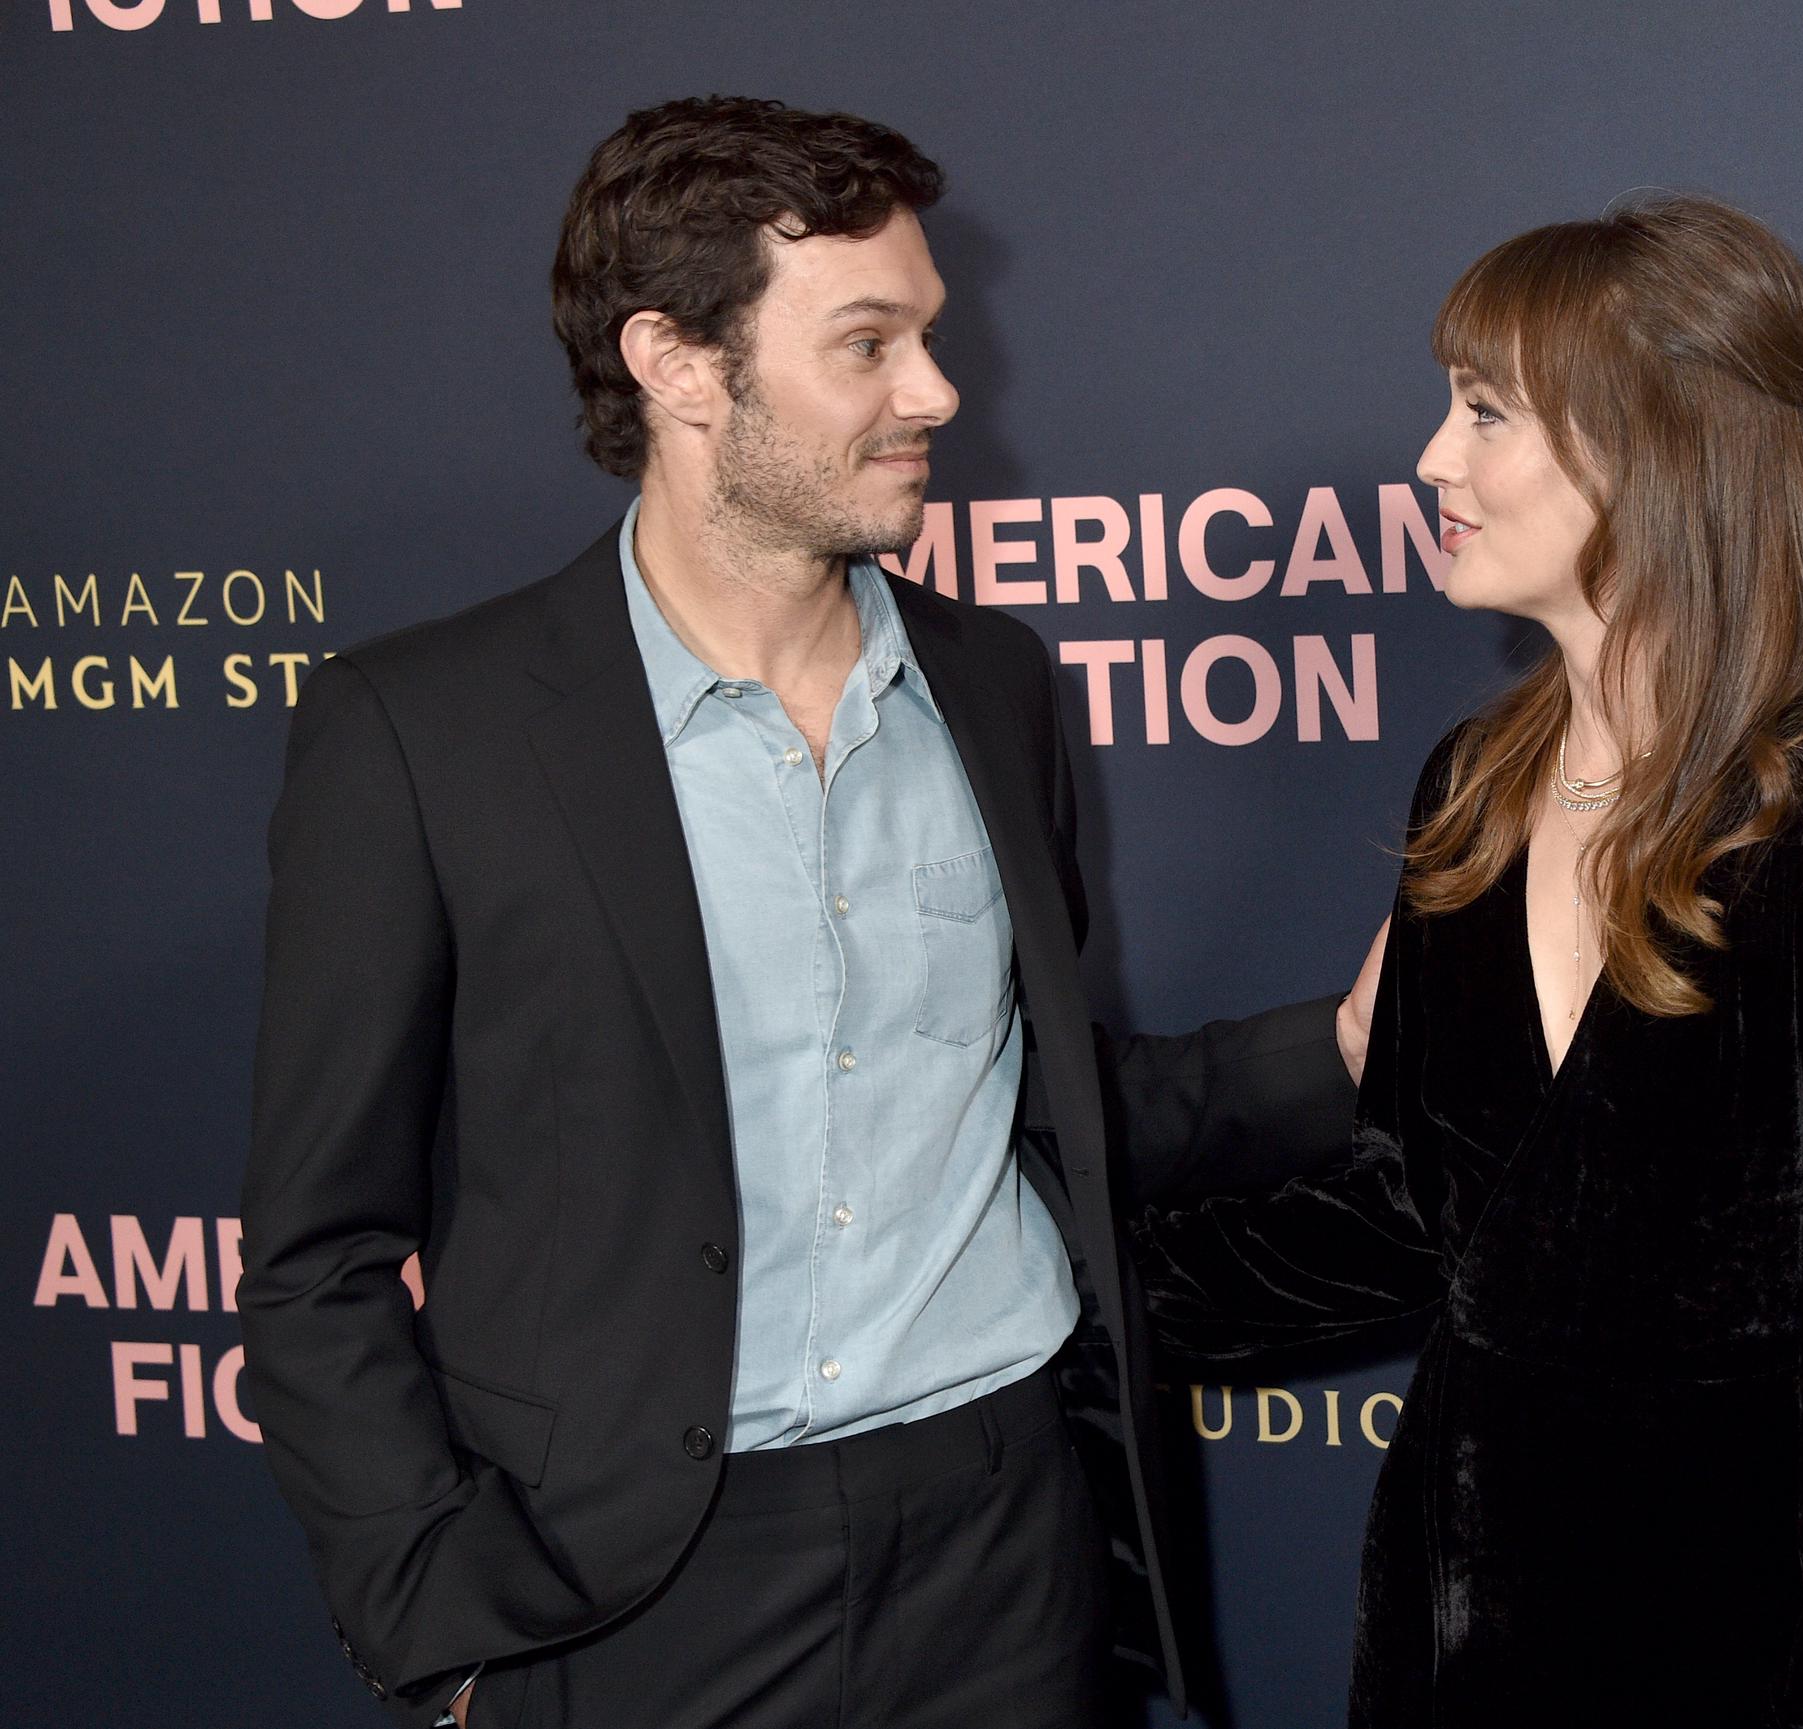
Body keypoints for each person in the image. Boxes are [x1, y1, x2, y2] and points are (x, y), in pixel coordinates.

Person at [238, 97, 1359, 1729]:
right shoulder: (424, 733)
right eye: (868, 344)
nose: (938, 391)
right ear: (678, 365)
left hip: (1005, 1546)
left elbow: (1037, 1107)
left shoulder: (992, 684)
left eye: (930, 335)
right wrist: (446, 1630)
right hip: (632, 1584)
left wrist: (1344, 1043)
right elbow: (317, 1255)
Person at [1140, 197, 1803, 1725]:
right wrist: (1061, 1291)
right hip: (1444, 1654)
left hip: (1732, 1673)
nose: (1432, 460)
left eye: (1486, 412)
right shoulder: (1473, 787)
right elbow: (1425, 1220)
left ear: (1652, 444)